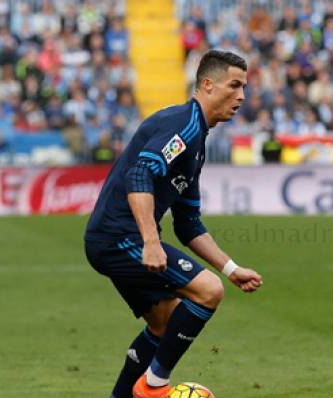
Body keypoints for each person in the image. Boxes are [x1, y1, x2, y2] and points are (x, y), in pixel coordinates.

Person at [84, 50, 263, 398]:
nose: (242, 96)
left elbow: (189, 224)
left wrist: (230, 267)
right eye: (235, 85)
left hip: (117, 237)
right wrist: (150, 240)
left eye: (245, 87)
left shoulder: (197, 143)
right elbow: (140, 173)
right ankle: (153, 386)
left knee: (164, 322)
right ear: (208, 85)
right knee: (208, 292)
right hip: (119, 236)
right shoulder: (184, 125)